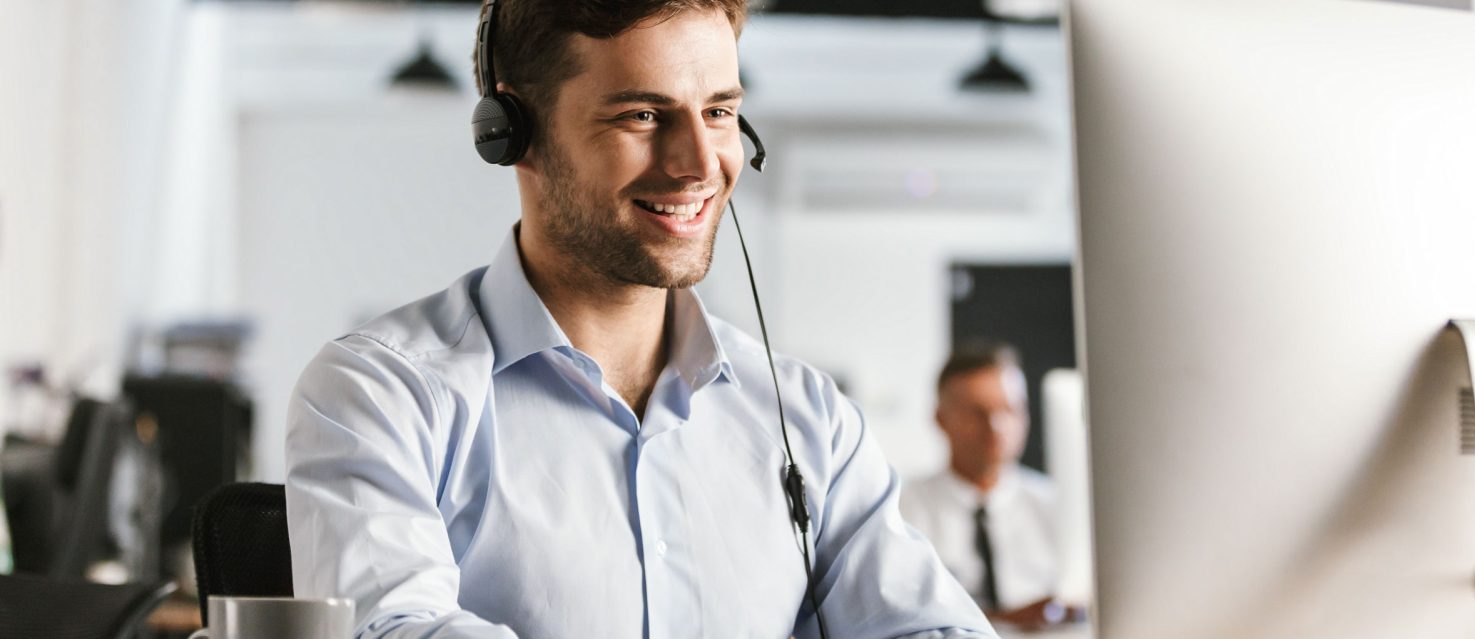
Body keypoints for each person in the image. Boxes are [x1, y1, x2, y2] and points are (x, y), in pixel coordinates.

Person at [283, 1, 995, 637]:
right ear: (511, 132)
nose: (699, 164)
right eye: (643, 116)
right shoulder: (381, 393)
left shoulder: (807, 416)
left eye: (719, 111)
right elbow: (394, 626)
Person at [900, 343, 1083, 633]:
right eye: (977, 412)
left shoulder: (1059, 506)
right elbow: (902, 611)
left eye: (1009, 409)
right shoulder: (903, 510)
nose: (996, 426)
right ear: (941, 419)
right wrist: (1004, 620)